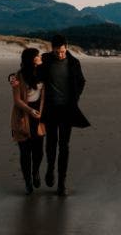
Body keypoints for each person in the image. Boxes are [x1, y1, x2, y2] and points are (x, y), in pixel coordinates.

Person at [38, 34, 90, 196]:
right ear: (51, 48)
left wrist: (75, 98)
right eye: (57, 52)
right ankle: (50, 169)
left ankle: (62, 183)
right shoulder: (45, 60)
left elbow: (81, 81)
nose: (60, 54)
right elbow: (26, 72)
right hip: (50, 108)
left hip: (67, 109)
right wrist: (12, 79)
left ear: (66, 47)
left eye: (62, 51)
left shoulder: (74, 62)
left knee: (64, 146)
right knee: (51, 143)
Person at [10, 48, 45, 195]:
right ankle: (28, 182)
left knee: (38, 152)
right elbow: (17, 100)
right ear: (31, 59)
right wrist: (30, 111)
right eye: (37, 56)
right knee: (25, 152)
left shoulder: (44, 72)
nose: (40, 57)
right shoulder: (18, 77)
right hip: (22, 115)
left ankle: (35, 171)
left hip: (40, 115)